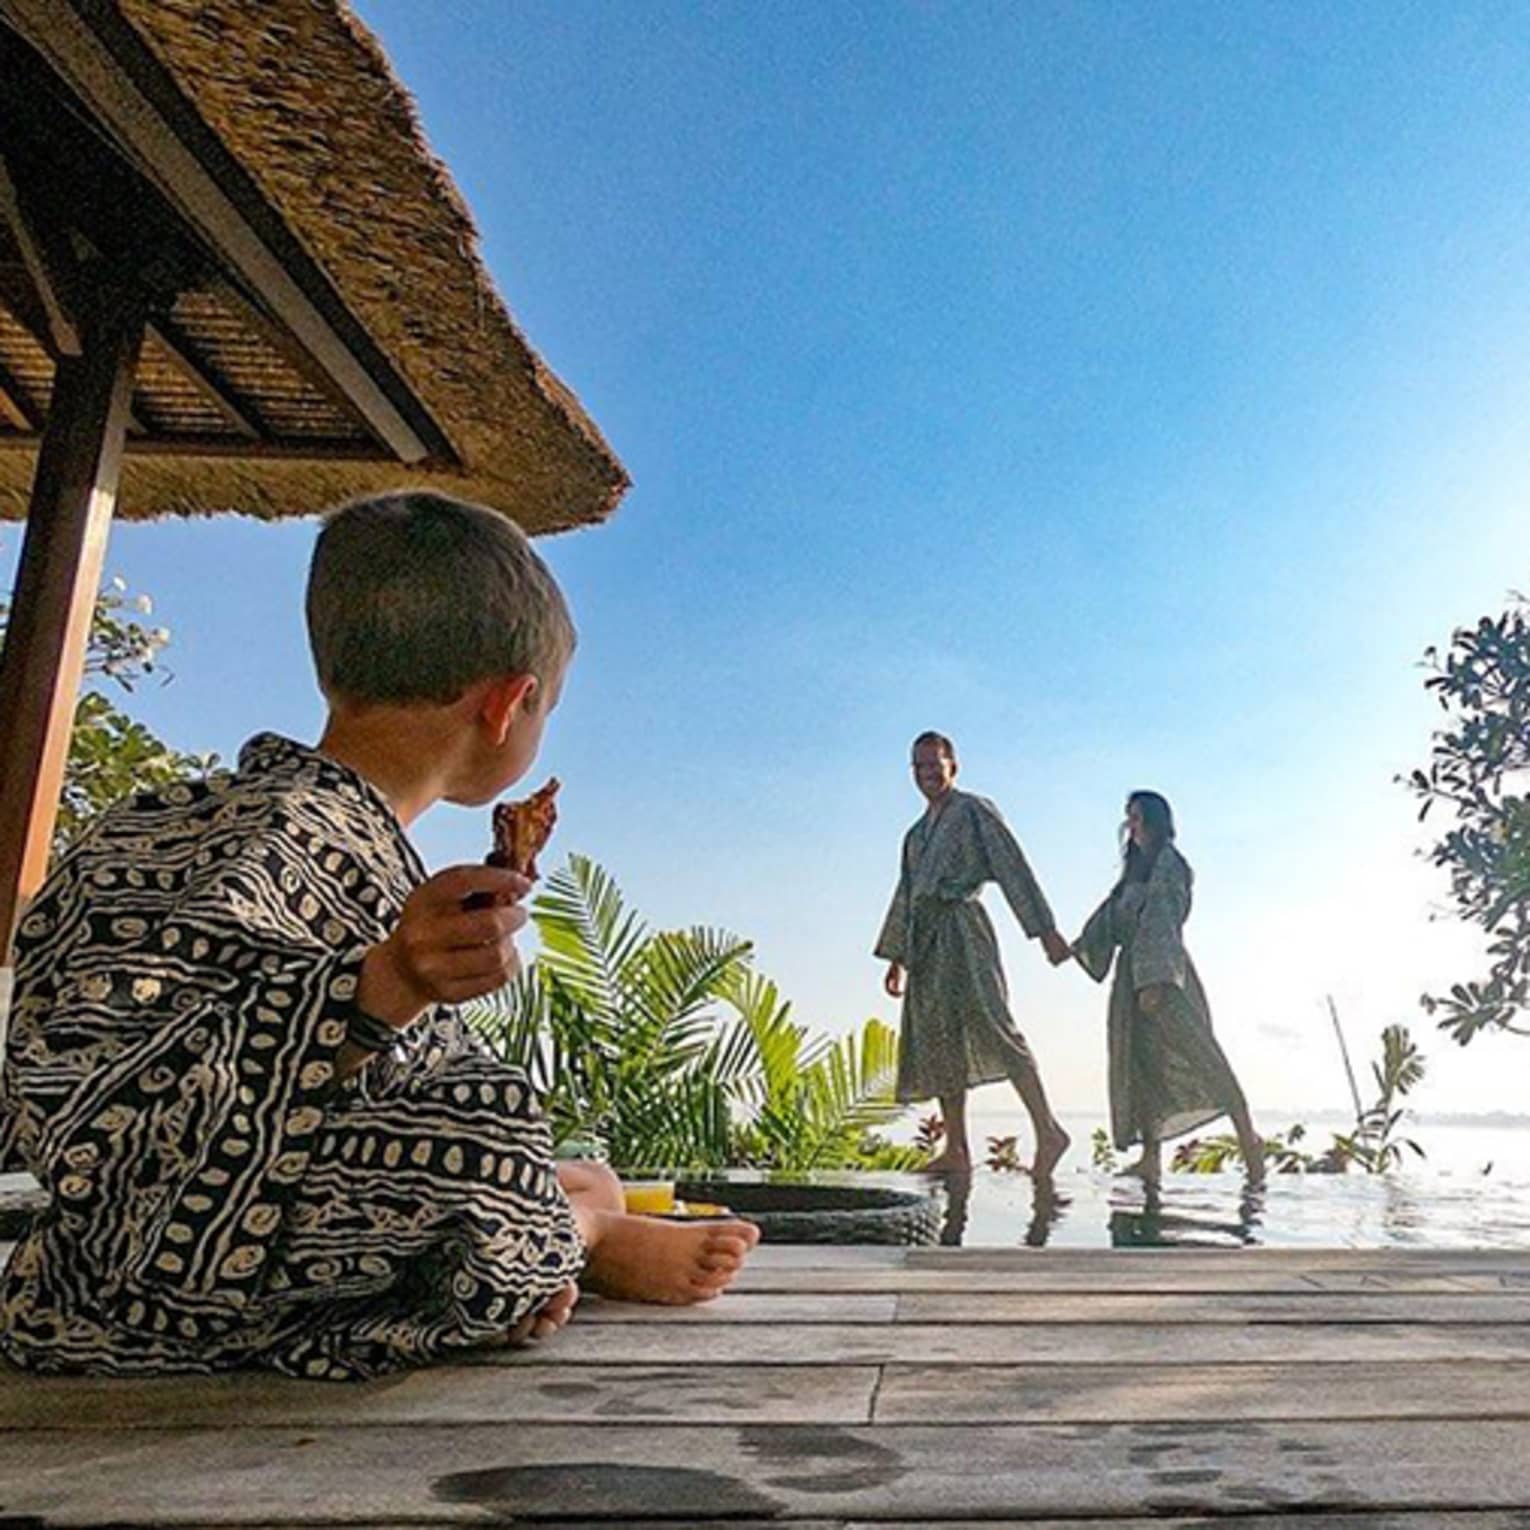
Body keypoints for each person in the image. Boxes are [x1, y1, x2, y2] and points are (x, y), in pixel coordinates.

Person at [0, 490, 758, 1380]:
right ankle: (578, 1231)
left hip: (78, 1259)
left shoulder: (150, 825)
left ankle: (569, 1203)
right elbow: (160, 1102)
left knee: (563, 1156)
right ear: (508, 705)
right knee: (497, 1130)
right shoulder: (303, 842)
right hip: (189, 1284)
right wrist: (384, 983)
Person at [874, 731, 1072, 1179]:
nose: (927, 774)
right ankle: (957, 1147)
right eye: (919, 767)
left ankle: (1049, 1130)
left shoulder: (974, 811)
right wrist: (897, 958)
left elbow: (1011, 866)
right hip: (925, 941)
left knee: (994, 1023)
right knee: (940, 1039)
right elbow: (906, 895)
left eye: (934, 765)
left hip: (964, 927)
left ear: (953, 766)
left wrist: (1045, 931)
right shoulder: (915, 835)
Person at [1070, 790, 1263, 1190]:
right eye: (1129, 819)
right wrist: (1072, 947)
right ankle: (1150, 1157)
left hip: (1165, 975)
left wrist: (1153, 981)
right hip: (1130, 980)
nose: (1132, 826)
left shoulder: (1170, 865)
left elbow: (1162, 920)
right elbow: (1110, 916)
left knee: (1203, 1054)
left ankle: (1249, 1139)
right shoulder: (1134, 871)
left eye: (1138, 818)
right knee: (1143, 1065)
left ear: (1158, 821)